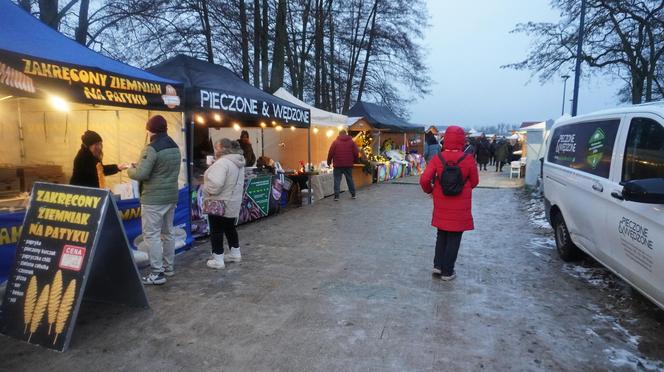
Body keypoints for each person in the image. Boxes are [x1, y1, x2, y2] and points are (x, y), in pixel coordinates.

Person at [419, 126, 479, 281]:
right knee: (454, 236)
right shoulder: (468, 159)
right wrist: (462, 188)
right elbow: (474, 181)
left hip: (441, 201)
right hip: (460, 204)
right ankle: (448, 272)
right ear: (461, 140)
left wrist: (431, 191)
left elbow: (424, 179)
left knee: (442, 233)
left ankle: (438, 266)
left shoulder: (438, 157)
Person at [128, 115, 182, 285]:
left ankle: (157, 273)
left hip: (153, 199)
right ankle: (169, 268)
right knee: (168, 232)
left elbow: (142, 174)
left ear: (150, 129)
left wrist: (130, 169)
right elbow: (162, 170)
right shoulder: (174, 145)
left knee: (151, 235)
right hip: (171, 195)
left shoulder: (151, 148)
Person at [203, 139, 246, 269]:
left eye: (216, 148)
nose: (214, 151)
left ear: (221, 149)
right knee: (229, 227)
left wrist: (207, 189)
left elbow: (216, 185)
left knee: (216, 230)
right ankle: (235, 253)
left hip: (220, 201)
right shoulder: (238, 161)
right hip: (233, 201)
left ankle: (218, 258)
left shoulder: (222, 163)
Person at [327, 129, 359, 201]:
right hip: (348, 165)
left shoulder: (335, 142)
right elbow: (356, 153)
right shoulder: (352, 142)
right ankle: (353, 194)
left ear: (339, 134)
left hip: (338, 165)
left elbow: (330, 153)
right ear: (346, 134)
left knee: (337, 180)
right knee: (349, 179)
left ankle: (336, 196)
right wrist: (355, 161)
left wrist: (328, 162)